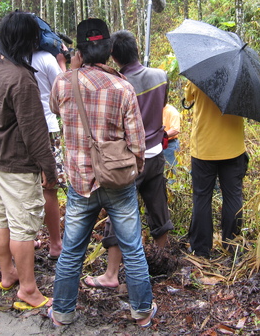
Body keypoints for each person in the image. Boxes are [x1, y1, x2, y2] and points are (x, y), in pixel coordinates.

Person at [48, 18, 157, 327]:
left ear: (78, 52)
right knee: (133, 250)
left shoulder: (63, 83)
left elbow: (57, 109)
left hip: (80, 183)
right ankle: (141, 312)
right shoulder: (123, 87)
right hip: (117, 181)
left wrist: (72, 67)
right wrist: (131, 173)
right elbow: (137, 143)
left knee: (71, 251)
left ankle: (63, 313)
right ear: (110, 49)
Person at [0, 0, 57, 311]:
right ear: (28, 43)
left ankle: (7, 274)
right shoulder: (22, 79)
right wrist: (49, 172)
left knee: (1, 219)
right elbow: (36, 135)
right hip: (16, 164)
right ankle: (28, 289)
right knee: (23, 226)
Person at [84, 29, 173, 290]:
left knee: (119, 213)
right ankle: (159, 261)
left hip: (128, 161)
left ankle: (111, 274)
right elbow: (162, 107)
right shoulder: (160, 76)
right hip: (156, 155)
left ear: (113, 55)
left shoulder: (117, 85)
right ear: (135, 49)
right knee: (159, 208)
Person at [185, 82, 249, 259]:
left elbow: (188, 97)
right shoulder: (240, 77)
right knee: (233, 196)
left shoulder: (199, 74)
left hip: (204, 148)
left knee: (202, 197)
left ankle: (201, 249)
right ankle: (233, 247)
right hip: (233, 147)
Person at [31, 48, 67, 260]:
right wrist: (62, 64)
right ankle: (55, 244)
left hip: (22, 128)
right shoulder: (45, 58)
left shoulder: (14, 57)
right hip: (47, 126)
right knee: (49, 186)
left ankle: (29, 237)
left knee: (27, 183)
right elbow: (64, 88)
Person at [162, 103, 180, 177]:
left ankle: (173, 186)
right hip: (158, 145)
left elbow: (175, 130)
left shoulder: (172, 111)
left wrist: (161, 136)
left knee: (173, 170)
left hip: (170, 145)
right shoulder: (155, 109)